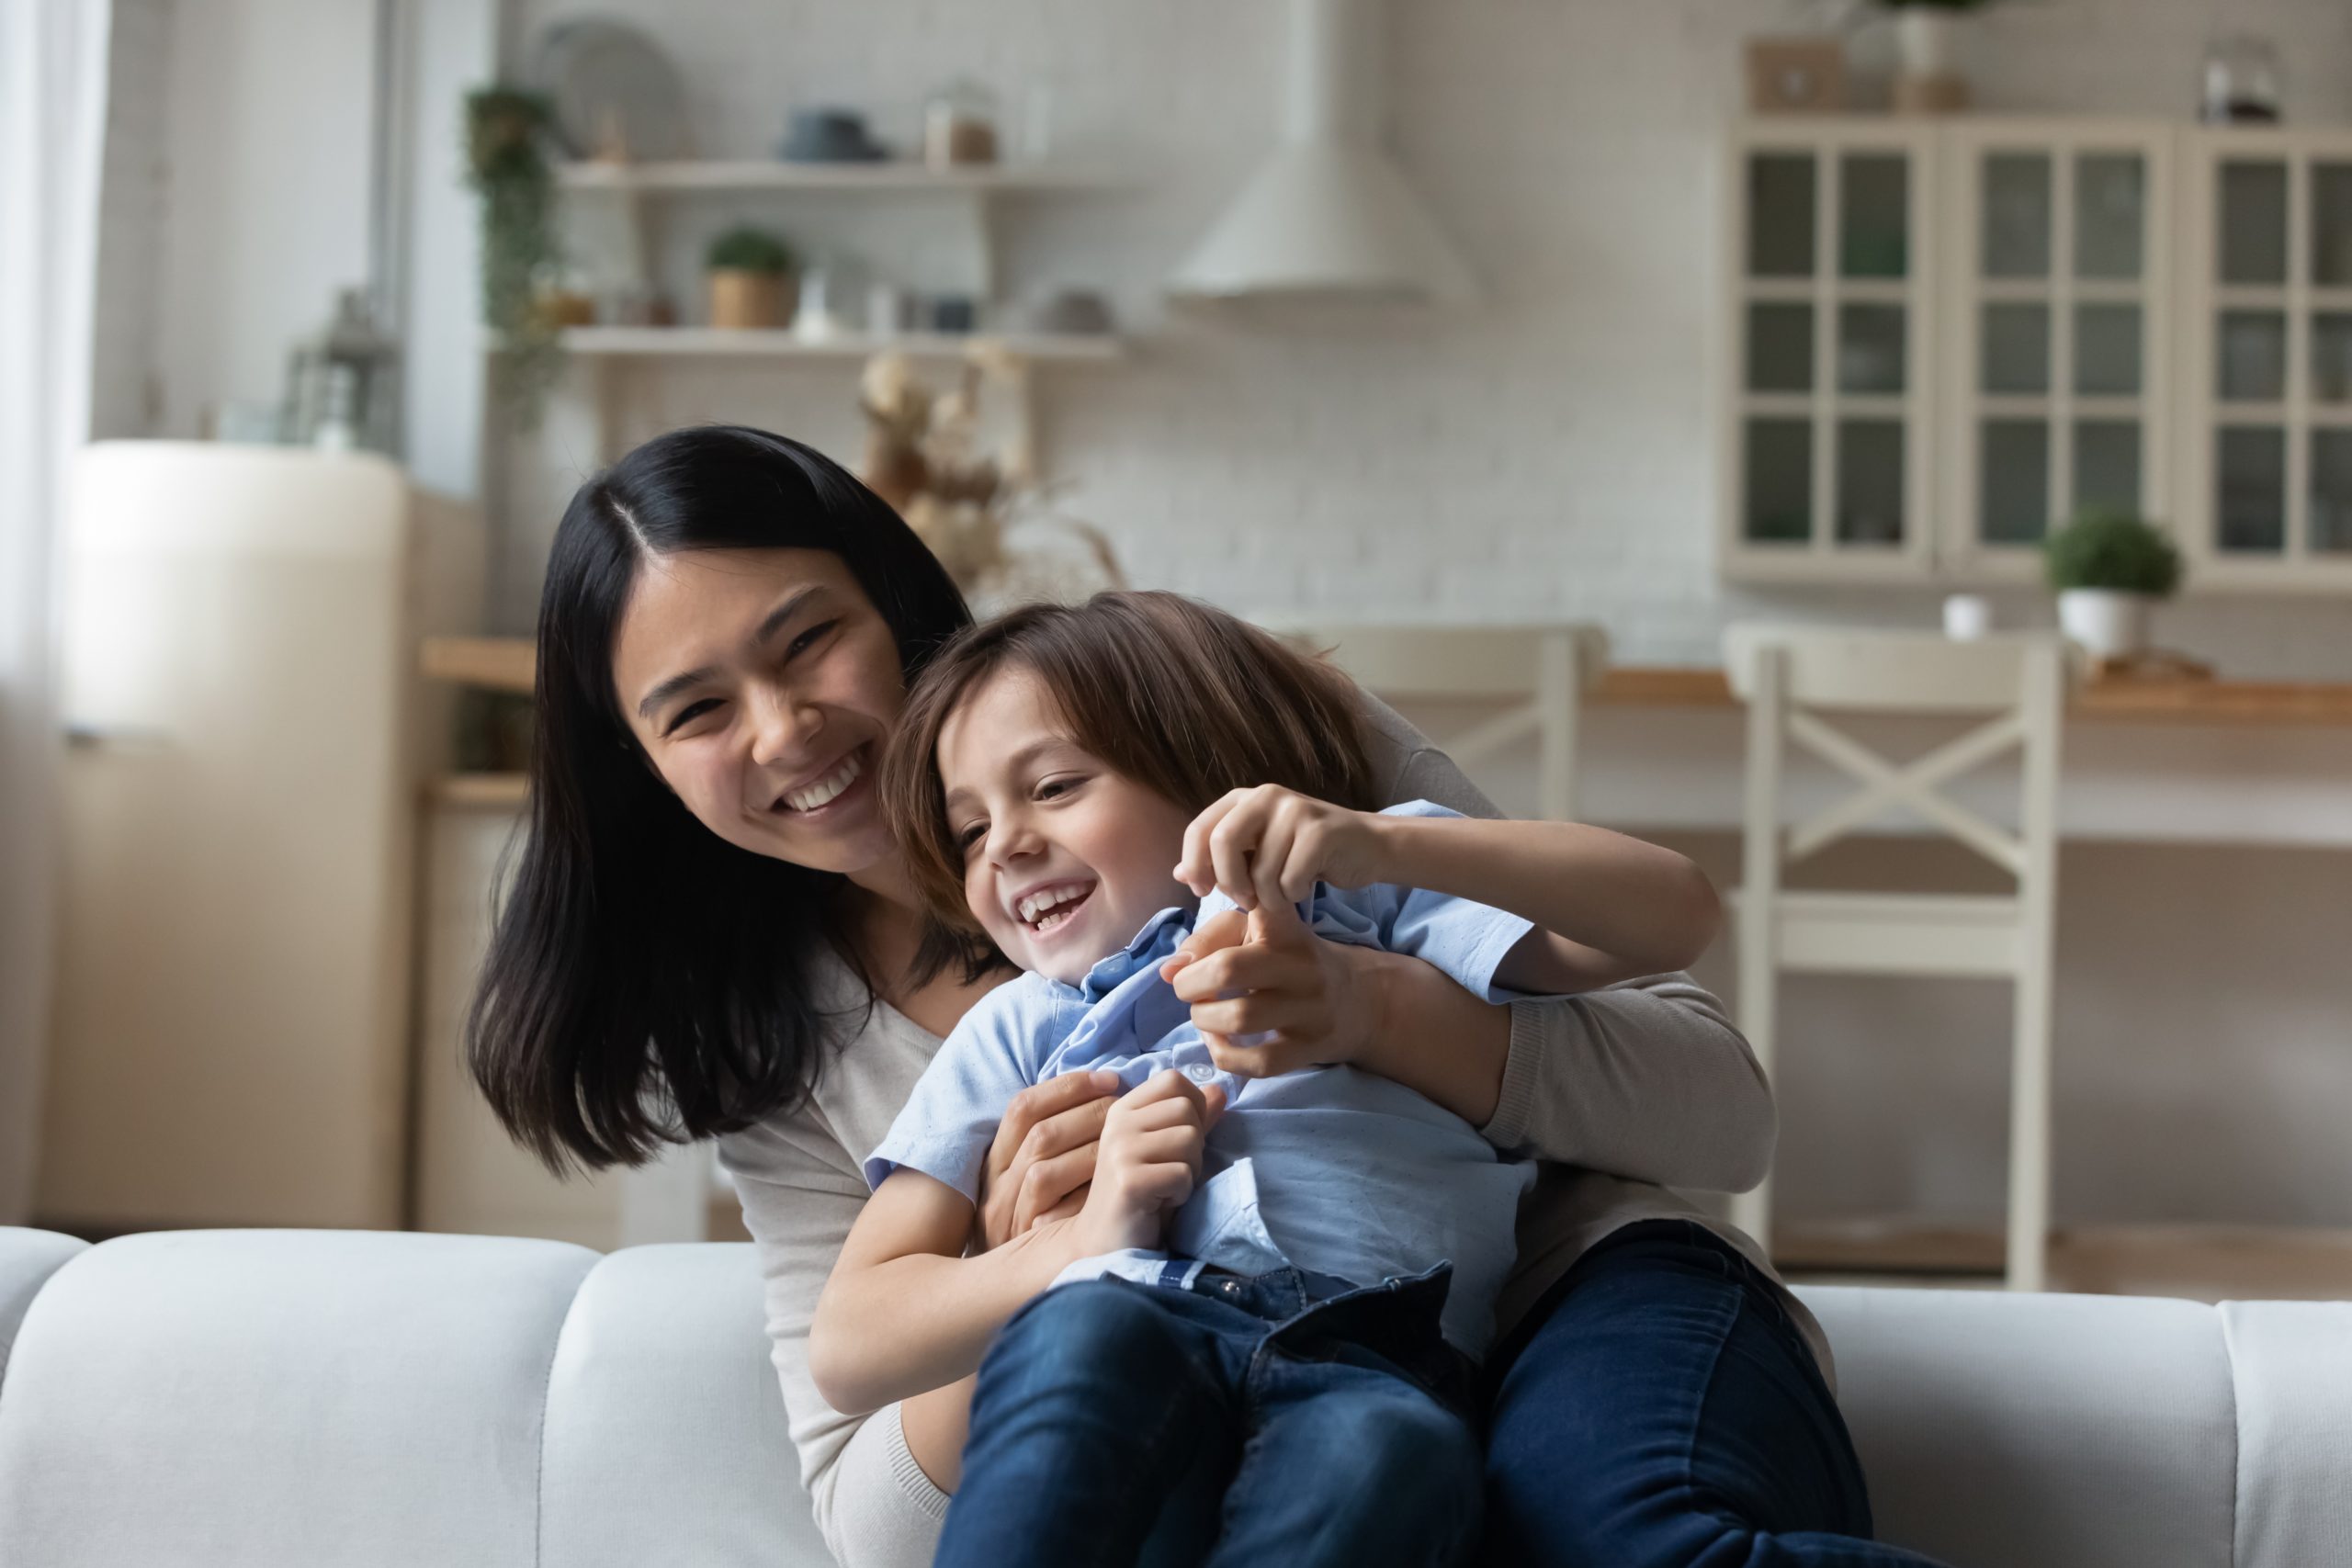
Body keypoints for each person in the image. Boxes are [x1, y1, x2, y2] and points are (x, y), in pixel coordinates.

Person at [469, 424, 1938, 1568]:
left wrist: (1376, 1007)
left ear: (897, 604)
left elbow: (1717, 1103)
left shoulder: (1238, 761)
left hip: (1559, 1288)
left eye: (807, 640)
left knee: (1595, 1532)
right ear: (645, 771)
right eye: (698, 710)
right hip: (1203, 1357)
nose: (787, 729)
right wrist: (1029, 1247)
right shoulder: (800, 1047)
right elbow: (873, 1505)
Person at [814, 590, 1731, 1566]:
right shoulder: (1020, 1024)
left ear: (1206, 775)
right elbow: (850, 1341)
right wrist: (1079, 1240)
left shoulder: (1362, 905)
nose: (1005, 845)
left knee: (1402, 1456)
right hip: (1131, 1310)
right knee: (1081, 1360)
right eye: (967, 833)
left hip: (1378, 1355)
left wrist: (1384, 839)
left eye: (1052, 788)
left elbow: (1673, 916)